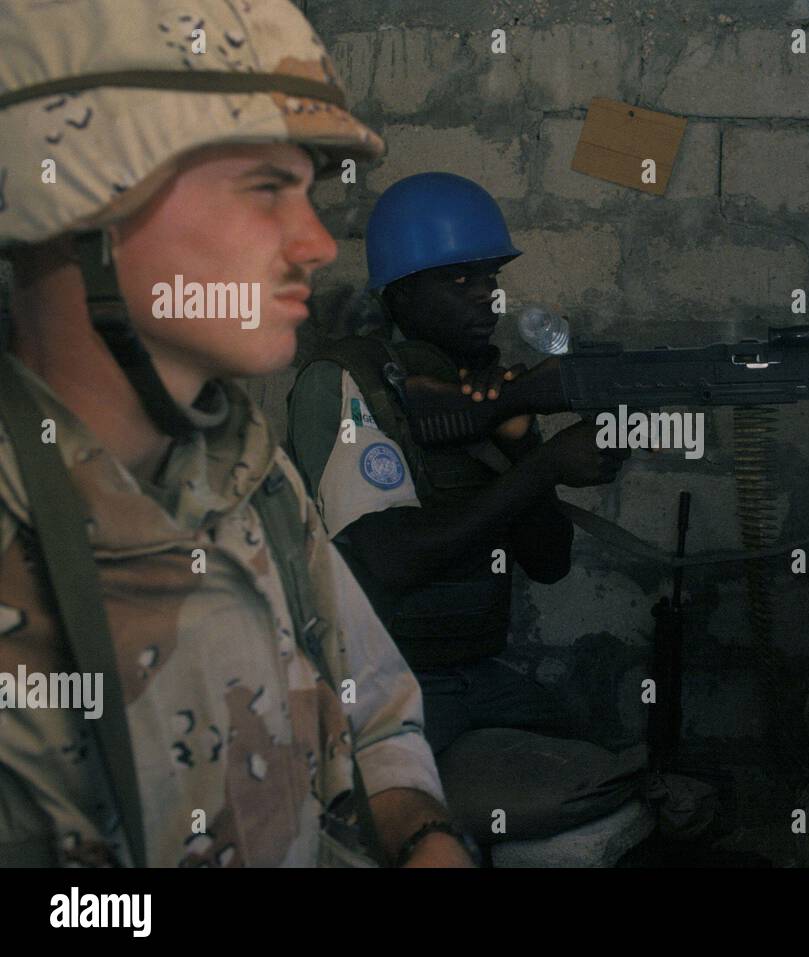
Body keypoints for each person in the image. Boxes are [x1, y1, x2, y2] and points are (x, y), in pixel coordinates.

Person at [0, 0, 473, 867]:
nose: (317, 243)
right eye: (264, 188)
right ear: (80, 201)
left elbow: (373, 714)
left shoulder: (250, 477)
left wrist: (422, 835)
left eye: (308, 189)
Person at [286, 172, 644, 845]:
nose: (486, 292)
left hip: (475, 672)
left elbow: (548, 562)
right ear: (400, 291)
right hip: (379, 682)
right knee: (384, 822)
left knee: (608, 765)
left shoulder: (479, 388)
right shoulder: (349, 382)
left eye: (489, 274)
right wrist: (542, 464)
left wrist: (522, 438)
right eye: (457, 278)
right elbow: (389, 557)